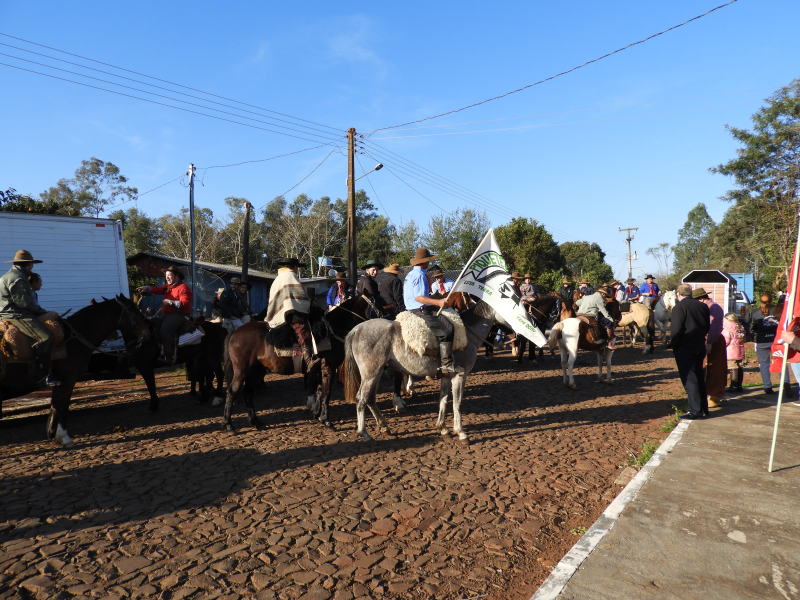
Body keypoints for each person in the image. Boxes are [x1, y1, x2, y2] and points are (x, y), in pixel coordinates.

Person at [0, 250, 60, 386]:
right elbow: (23, 303)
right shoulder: (18, 278)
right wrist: (40, 311)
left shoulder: (10, 275)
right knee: (45, 338)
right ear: (29, 264)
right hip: (17, 315)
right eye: (32, 263)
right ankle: (42, 376)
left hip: (11, 312)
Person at [404, 248, 461, 374]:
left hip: (411, 308)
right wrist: (438, 302)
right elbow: (419, 298)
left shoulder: (410, 274)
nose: (429, 263)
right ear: (425, 261)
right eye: (429, 260)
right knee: (448, 329)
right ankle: (446, 363)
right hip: (421, 310)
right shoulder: (420, 275)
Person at [265, 257, 320, 371]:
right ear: (295, 267)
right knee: (303, 329)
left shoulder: (279, 277)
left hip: (282, 310)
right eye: (297, 267)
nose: (297, 269)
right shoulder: (291, 275)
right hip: (290, 311)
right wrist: (309, 302)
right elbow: (299, 295)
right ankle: (308, 360)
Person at [668, 284, 710, 419]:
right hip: (699, 345)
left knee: (690, 379)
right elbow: (707, 326)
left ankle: (695, 410)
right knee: (699, 377)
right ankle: (703, 407)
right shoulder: (702, 306)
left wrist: (674, 345)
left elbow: (676, 330)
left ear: (678, 294)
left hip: (684, 347)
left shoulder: (679, 307)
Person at [137, 265, 192, 365]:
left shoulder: (183, 288)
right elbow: (157, 289)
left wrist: (170, 302)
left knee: (165, 329)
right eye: (166, 275)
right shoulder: (168, 287)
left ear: (177, 276)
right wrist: (146, 288)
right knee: (152, 325)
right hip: (169, 315)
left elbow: (186, 303)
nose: (167, 277)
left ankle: (168, 357)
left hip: (180, 315)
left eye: (169, 275)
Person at [694, 288, 726, 407]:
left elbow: (715, 326)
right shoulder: (707, 307)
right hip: (707, 340)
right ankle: (708, 394)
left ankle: (715, 396)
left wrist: (709, 343)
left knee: (714, 369)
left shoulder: (714, 308)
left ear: (701, 299)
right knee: (707, 368)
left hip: (713, 341)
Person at [750, 293, 781, 394]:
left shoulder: (755, 312)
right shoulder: (777, 310)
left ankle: (767, 385)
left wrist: (755, 336)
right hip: (776, 340)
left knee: (763, 364)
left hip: (761, 340)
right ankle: (785, 382)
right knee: (780, 361)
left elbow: (751, 328)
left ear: (760, 300)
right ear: (771, 300)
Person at [722, 313, 745, 393]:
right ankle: (739, 386)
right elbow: (744, 339)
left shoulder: (728, 328)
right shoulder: (740, 327)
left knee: (733, 367)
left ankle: (733, 386)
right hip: (740, 350)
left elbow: (725, 341)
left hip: (731, 352)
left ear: (727, 319)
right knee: (739, 367)